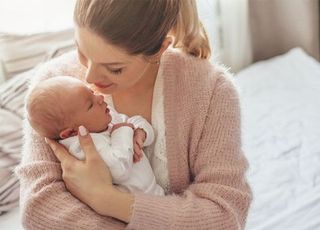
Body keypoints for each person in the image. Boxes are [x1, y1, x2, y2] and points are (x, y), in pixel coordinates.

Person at [16, 0, 252, 229]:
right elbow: (38, 209)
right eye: (82, 51)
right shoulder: (52, 88)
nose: (89, 78)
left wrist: (105, 199)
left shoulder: (211, 91)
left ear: (160, 48)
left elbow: (224, 216)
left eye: (115, 68)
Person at [26, 76, 164, 196]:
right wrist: (123, 132)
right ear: (70, 133)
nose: (99, 97)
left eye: (91, 92)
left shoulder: (105, 120)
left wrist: (141, 132)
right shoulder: (83, 147)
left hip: (155, 193)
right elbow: (119, 171)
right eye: (90, 105)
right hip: (134, 206)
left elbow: (135, 122)